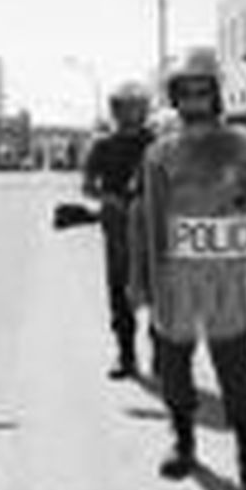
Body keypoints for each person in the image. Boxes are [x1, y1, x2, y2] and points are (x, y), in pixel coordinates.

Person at [129, 49, 246, 490]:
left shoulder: (243, 147)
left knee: (236, 371)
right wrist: (142, 279)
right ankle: (184, 442)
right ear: (175, 96)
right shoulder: (160, 152)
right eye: (186, 89)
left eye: (202, 88)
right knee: (174, 365)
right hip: (176, 278)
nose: (194, 96)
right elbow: (147, 219)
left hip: (225, 279)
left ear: (215, 93)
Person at [81, 81, 155, 379]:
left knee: (158, 291)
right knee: (120, 293)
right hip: (118, 230)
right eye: (127, 106)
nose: (133, 112)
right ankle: (126, 355)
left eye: (138, 106)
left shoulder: (156, 143)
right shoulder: (102, 145)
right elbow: (87, 187)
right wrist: (109, 198)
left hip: (153, 226)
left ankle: (162, 355)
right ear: (116, 110)